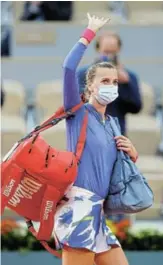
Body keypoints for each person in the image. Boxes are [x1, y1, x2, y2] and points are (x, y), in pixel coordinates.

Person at [54, 13, 138, 265]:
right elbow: (68, 67)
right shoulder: (77, 112)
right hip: (79, 207)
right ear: (90, 86)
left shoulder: (112, 122)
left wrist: (131, 154)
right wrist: (89, 32)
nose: (111, 86)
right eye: (104, 81)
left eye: (114, 81)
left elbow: (112, 168)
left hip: (98, 210)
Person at [77, 31, 142, 135]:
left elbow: (136, 107)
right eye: (106, 52)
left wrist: (125, 84)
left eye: (113, 52)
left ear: (118, 50)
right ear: (98, 49)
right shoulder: (83, 74)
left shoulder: (129, 76)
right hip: (89, 131)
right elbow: (79, 103)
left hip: (117, 133)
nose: (110, 56)